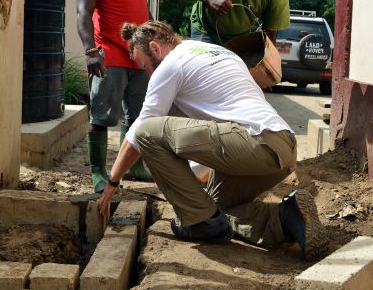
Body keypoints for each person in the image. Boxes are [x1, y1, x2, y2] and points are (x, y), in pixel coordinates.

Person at [97, 21, 328, 260]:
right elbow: (207, 133)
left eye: (145, 66)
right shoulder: (220, 53)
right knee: (216, 211)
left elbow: (140, 132)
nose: (148, 74)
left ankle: (199, 223)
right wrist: (190, 187)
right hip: (284, 148)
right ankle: (288, 218)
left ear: (154, 48)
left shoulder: (172, 64)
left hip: (255, 144)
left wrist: (113, 180)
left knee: (147, 132)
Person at [76, 0, 152, 193]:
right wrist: (90, 51)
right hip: (108, 53)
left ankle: (133, 166)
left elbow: (145, 14)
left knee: (139, 116)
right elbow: (82, 13)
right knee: (102, 116)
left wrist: (155, 49)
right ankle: (98, 172)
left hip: (139, 57)